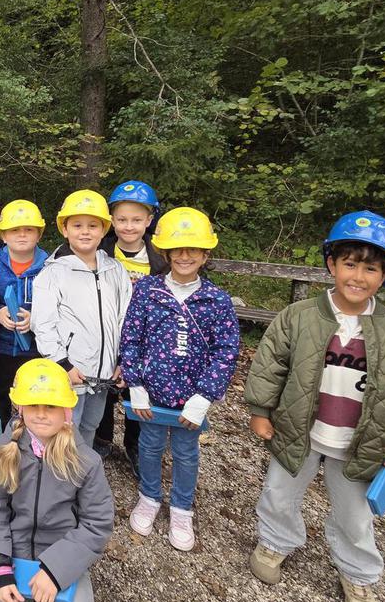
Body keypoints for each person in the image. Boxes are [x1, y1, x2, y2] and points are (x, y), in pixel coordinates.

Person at [245, 211, 385, 602]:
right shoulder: (299, 316)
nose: (358, 276)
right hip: (298, 431)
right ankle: (275, 541)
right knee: (279, 493)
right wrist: (260, 410)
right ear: (332, 264)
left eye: (371, 268)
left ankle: (358, 575)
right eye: (350, 264)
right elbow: (270, 364)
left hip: (362, 442)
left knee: (355, 516)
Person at [121, 207, 240, 551]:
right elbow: (131, 337)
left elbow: (226, 351)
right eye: (177, 250)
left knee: (186, 453)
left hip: (191, 399)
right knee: (149, 446)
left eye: (193, 250)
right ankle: (149, 496)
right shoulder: (148, 290)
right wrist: (135, 384)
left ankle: (182, 508)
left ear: (205, 254)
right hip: (152, 394)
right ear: (166, 252)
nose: (185, 256)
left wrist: (205, 396)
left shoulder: (216, 300)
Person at [0, 359, 113, 602]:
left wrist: (55, 571)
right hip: (14, 557)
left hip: (63, 556)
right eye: (33, 405)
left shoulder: (86, 461)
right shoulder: (3, 449)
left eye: (51, 406)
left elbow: (97, 523)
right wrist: (1, 568)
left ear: (66, 410)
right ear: (20, 408)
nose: (41, 414)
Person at [30, 190, 131, 446]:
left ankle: (83, 466)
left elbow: (125, 318)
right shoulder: (53, 273)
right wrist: (63, 364)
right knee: (66, 427)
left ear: (104, 229)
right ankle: (61, 469)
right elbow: (43, 325)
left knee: (90, 425)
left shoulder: (115, 270)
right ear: (65, 229)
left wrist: (122, 360)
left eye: (93, 225)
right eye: (77, 225)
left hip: (104, 372)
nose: (85, 232)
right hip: (70, 371)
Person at [94, 180, 167, 477]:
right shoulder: (100, 250)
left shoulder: (160, 257)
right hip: (107, 333)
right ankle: (102, 438)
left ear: (149, 220)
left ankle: (134, 444)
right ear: (112, 220)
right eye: (122, 219)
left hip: (144, 338)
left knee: (139, 392)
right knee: (103, 389)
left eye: (136, 220)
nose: (128, 226)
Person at [0, 200, 49, 429]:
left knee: (33, 402)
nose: (22, 235)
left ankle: (30, 444)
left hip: (34, 350)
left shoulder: (49, 266)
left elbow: (57, 305)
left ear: (39, 234)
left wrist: (35, 318)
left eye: (29, 229)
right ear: (3, 235)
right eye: (14, 230)